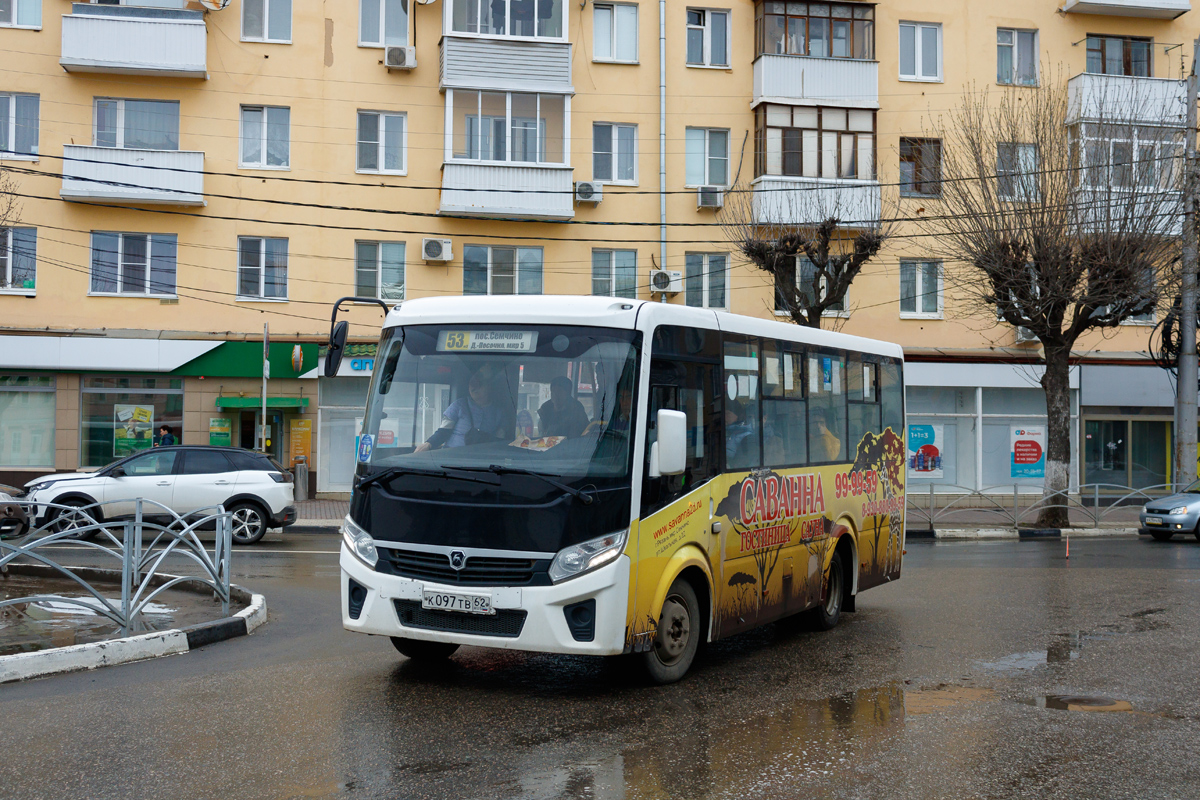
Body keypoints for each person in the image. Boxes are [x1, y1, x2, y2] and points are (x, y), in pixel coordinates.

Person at [415, 371, 505, 451]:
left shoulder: (498, 413)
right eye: (472, 385)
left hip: (480, 461)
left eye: (480, 384)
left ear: (489, 386)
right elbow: (443, 431)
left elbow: (499, 442)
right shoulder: (459, 405)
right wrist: (428, 444)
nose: (475, 390)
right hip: (452, 457)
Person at [725, 398, 755, 462]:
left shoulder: (747, 435)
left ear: (737, 415)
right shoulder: (730, 431)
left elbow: (745, 459)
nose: (725, 417)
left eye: (728, 413)